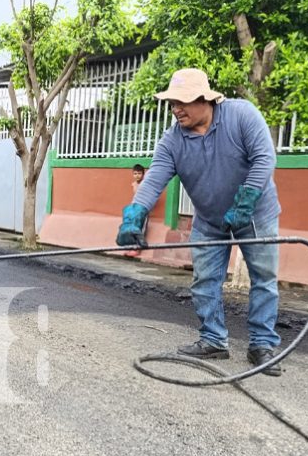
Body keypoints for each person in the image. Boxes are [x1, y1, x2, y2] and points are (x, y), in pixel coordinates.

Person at [116, 68, 283, 376]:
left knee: (263, 280)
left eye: (183, 101)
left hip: (256, 214)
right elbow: (154, 180)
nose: (176, 109)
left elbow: (265, 158)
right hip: (209, 218)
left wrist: (245, 201)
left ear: (205, 99)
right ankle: (214, 340)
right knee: (205, 280)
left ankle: (261, 344)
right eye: (172, 103)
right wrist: (134, 215)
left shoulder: (241, 115)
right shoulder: (172, 140)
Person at [125, 164, 146, 257]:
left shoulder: (144, 184)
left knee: (140, 228)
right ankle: (132, 247)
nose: (137, 175)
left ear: (143, 174)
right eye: (135, 173)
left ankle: (138, 249)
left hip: (142, 209)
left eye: (139, 173)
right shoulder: (133, 184)